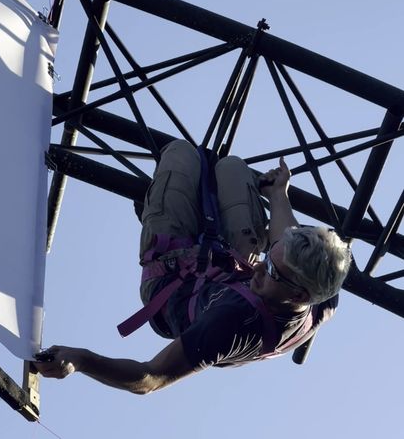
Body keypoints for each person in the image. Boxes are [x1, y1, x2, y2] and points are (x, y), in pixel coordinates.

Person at [35, 140, 351, 394]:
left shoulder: (232, 325)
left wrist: (83, 360)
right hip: (228, 263)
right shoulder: (323, 292)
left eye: (272, 272)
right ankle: (229, 227)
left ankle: (166, 213)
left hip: (172, 277)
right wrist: (278, 196)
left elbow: (150, 378)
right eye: (269, 259)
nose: (261, 270)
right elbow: (285, 238)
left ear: (298, 295)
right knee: (231, 167)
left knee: (180, 154)